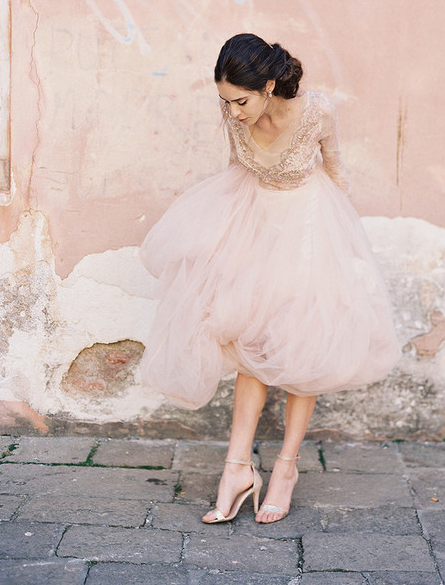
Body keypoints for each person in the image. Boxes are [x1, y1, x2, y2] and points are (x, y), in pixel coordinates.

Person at [140, 33, 401, 525]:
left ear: (269, 84)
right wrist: (222, 245)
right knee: (250, 342)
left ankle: (285, 469)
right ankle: (236, 469)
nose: (233, 112)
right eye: (224, 101)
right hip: (260, 227)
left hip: (309, 230)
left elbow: (337, 172)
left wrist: (346, 248)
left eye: (240, 100)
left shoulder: (316, 112)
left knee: (305, 345)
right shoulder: (236, 121)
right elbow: (237, 176)